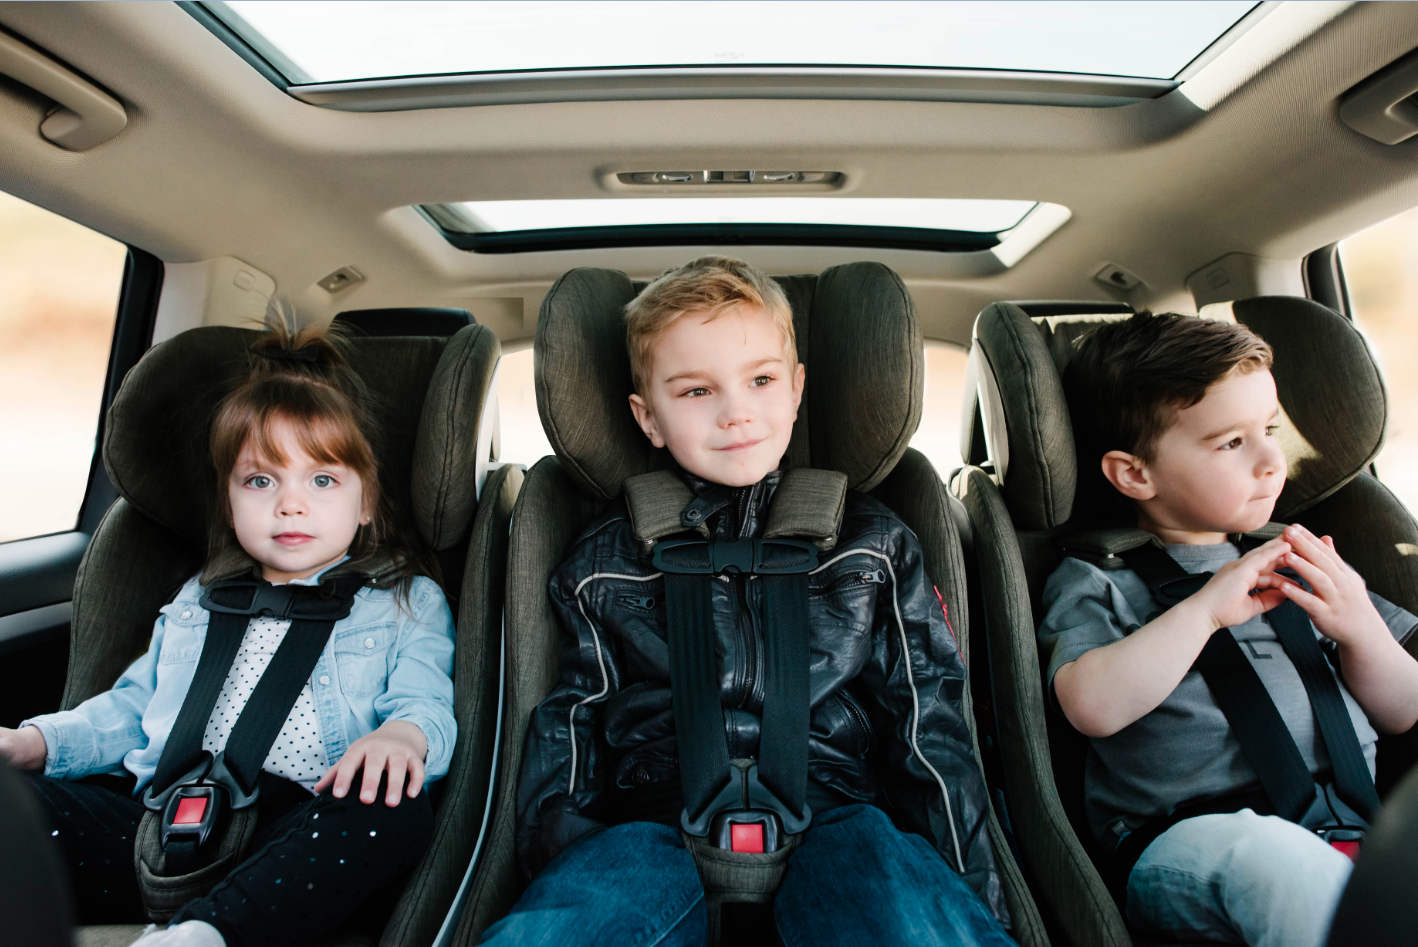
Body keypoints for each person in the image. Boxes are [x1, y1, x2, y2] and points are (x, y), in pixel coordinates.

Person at [483, 257, 1014, 946]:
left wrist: (971, 897)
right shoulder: (599, 562)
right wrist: (561, 862)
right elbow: (569, 736)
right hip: (648, 819)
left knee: (889, 887)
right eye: (697, 390)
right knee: (589, 905)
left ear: (796, 391)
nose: (736, 411)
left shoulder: (876, 545)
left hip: (837, 806)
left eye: (760, 380)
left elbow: (929, 727)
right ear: (648, 418)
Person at [0, 321, 457, 947]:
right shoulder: (198, 599)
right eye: (261, 481)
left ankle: (205, 935)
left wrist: (404, 736)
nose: (290, 504)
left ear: (367, 500)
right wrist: (35, 744)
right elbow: (132, 710)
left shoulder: (405, 601)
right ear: (229, 501)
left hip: (293, 837)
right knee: (11, 804)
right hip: (152, 830)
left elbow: (424, 698)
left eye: (322, 481)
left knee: (393, 811)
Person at [1038, 312, 1418, 947]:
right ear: (1135, 474)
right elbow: (1090, 707)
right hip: (1190, 844)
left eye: (1269, 429)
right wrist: (1205, 611)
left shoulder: (1308, 560)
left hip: (1354, 826)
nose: (1273, 460)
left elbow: (1406, 711)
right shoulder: (1096, 578)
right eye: (1232, 443)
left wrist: (1359, 629)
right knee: (1270, 859)